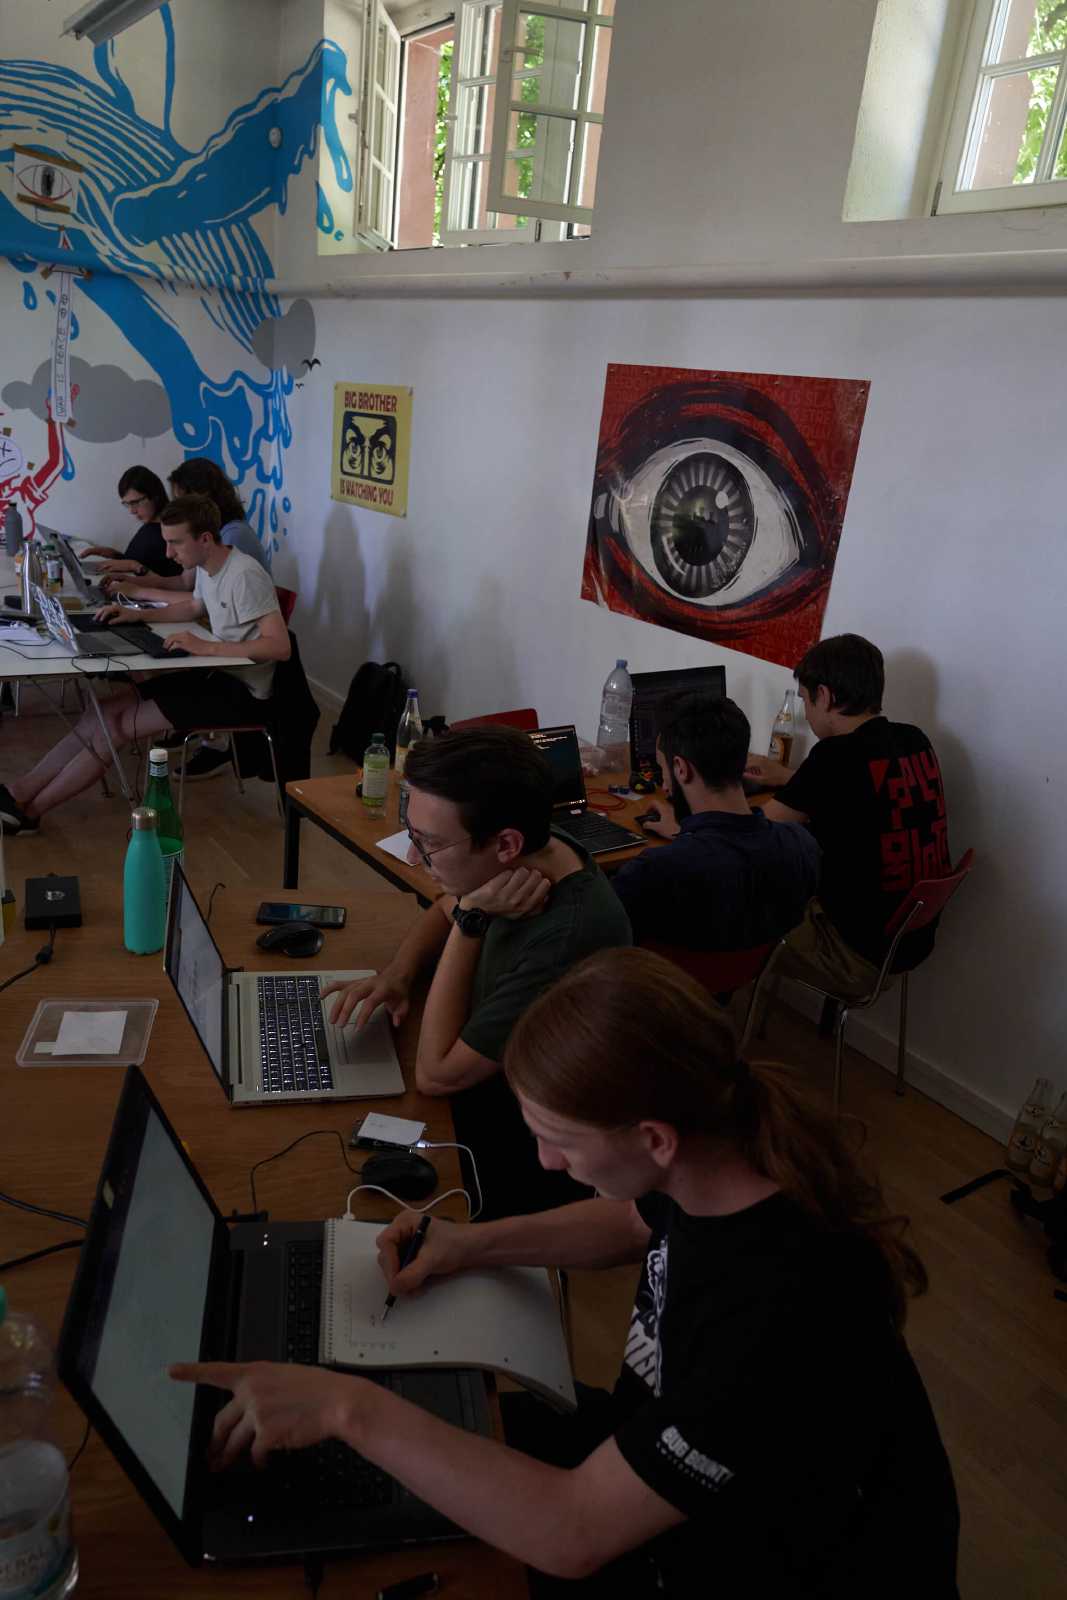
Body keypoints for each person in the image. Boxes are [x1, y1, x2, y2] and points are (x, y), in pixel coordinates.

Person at [172, 947, 960, 1597]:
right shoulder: (721, 1148)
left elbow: (572, 1532)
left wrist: (346, 1408)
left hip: (743, 1561)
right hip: (653, 1456)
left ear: (652, 1138)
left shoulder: (771, 1315)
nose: (548, 1162)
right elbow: (631, 1221)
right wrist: (467, 1244)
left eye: (562, 1141)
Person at [323, 725, 632, 1217]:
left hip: (508, 1156)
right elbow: (444, 906)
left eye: (428, 843)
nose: (413, 856)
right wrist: (399, 973)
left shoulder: (566, 940)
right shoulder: (533, 849)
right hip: (466, 1081)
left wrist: (471, 919)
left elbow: (437, 1075)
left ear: (506, 844)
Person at [0, 494, 288, 834]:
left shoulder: (244, 574)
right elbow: (193, 607)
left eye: (175, 543)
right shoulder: (209, 566)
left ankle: (32, 812)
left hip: (242, 693)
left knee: (115, 727)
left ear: (205, 539)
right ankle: (18, 793)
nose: (168, 554)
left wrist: (207, 647)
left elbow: (280, 647)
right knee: (100, 713)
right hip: (215, 674)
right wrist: (137, 615)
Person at [746, 633, 950, 997]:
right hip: (908, 942)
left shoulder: (834, 756)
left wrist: (683, 817)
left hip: (852, 956)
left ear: (824, 696)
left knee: (729, 900)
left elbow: (749, 832)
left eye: (806, 699)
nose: (807, 712)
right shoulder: (914, 740)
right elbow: (864, 792)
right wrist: (791, 778)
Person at [611, 691, 820, 950]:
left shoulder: (650, 871)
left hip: (671, 976)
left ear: (681, 769)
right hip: (754, 972)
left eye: (663, 769)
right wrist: (683, 834)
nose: (664, 785)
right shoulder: (801, 845)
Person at [78, 465, 182, 579]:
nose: (132, 511)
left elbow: (173, 581)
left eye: (135, 502)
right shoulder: (150, 525)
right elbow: (144, 561)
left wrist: (133, 566)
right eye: (127, 504)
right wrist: (114, 555)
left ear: (155, 495)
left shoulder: (171, 532)